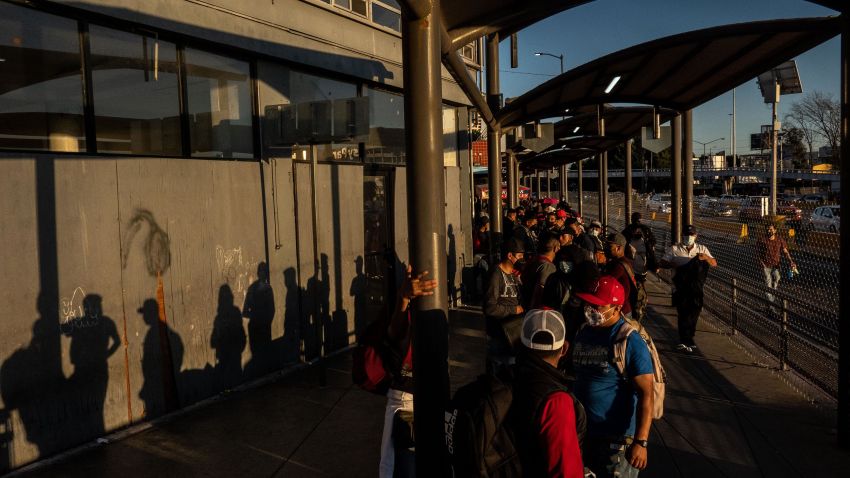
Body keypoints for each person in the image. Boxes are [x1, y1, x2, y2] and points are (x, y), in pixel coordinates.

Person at [572, 277, 654, 478]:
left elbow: (647, 394)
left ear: (617, 308)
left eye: (598, 305)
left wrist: (641, 442)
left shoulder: (630, 341)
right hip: (583, 433)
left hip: (616, 441)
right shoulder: (584, 331)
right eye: (589, 303)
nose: (591, 309)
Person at [380, 264, 438, 478]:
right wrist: (403, 299)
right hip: (405, 401)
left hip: (427, 398)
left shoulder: (436, 316)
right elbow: (394, 332)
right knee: (399, 467)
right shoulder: (406, 315)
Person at [511, 309, 585, 478]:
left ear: (520, 343)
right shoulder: (556, 400)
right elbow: (566, 472)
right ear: (564, 348)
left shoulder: (504, 376)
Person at [659, 225, 717, 352]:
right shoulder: (674, 249)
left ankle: (690, 336)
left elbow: (714, 263)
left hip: (696, 288)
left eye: (691, 235)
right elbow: (662, 262)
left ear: (696, 236)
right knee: (683, 313)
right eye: (686, 235)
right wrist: (674, 264)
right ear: (682, 236)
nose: (688, 237)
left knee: (694, 312)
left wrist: (705, 257)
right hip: (680, 287)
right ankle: (684, 339)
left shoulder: (701, 248)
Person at [484, 238, 526, 373]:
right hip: (499, 333)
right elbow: (490, 308)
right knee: (500, 373)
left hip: (512, 333)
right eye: (519, 256)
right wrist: (514, 309)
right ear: (510, 255)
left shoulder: (514, 275)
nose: (522, 259)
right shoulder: (496, 274)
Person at [621, 213, 657, 321]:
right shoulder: (644, 230)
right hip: (639, 262)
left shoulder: (629, 230)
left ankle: (638, 303)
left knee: (635, 282)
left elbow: (651, 245)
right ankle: (639, 303)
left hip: (634, 262)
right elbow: (651, 246)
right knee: (639, 282)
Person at [755, 223, 796, 304]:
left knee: (777, 278)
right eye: (767, 229)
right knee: (768, 283)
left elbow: (785, 252)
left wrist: (791, 261)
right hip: (766, 265)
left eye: (771, 229)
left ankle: (771, 296)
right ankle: (771, 305)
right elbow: (757, 252)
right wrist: (761, 263)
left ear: (775, 230)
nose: (769, 231)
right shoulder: (762, 239)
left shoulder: (780, 239)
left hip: (776, 265)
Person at [521, 234, 560, 309]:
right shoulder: (548, 266)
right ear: (555, 248)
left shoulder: (533, 260)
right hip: (535, 311)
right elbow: (540, 291)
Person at [604, 233, 637, 319]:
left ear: (618, 248)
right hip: (622, 309)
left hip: (621, 312)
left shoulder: (619, 266)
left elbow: (605, 283)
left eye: (609, 246)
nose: (606, 249)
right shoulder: (622, 262)